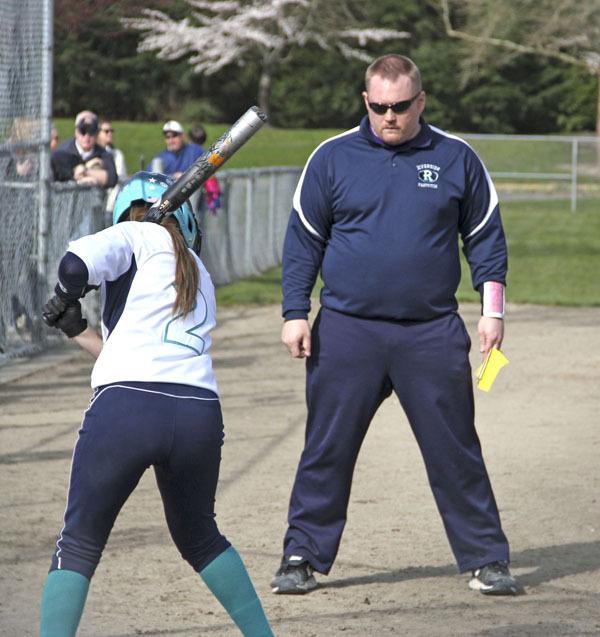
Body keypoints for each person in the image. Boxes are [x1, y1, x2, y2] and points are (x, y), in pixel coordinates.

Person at [271, 54, 521, 597]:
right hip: (347, 329)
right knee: (327, 446)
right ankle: (302, 554)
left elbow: (485, 239)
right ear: (366, 101)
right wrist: (295, 312)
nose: (390, 117)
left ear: (421, 102)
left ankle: (485, 557)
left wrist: (492, 310)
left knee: (456, 447)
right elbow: (303, 241)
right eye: (380, 106)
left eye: (401, 107)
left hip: (429, 331)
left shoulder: (456, 158)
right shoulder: (332, 158)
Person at [39, 171, 274, 636]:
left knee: (79, 543)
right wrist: (76, 328)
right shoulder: (197, 271)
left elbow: (73, 266)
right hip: (197, 415)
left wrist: (66, 294)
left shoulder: (134, 234)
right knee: (200, 537)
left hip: (126, 411)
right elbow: (139, 355)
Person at [51, 111, 117, 187]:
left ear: (96, 134)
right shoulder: (62, 152)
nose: (87, 136)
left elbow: (112, 179)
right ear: (76, 132)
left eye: (91, 131)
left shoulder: (104, 154)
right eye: (83, 131)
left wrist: (86, 171)